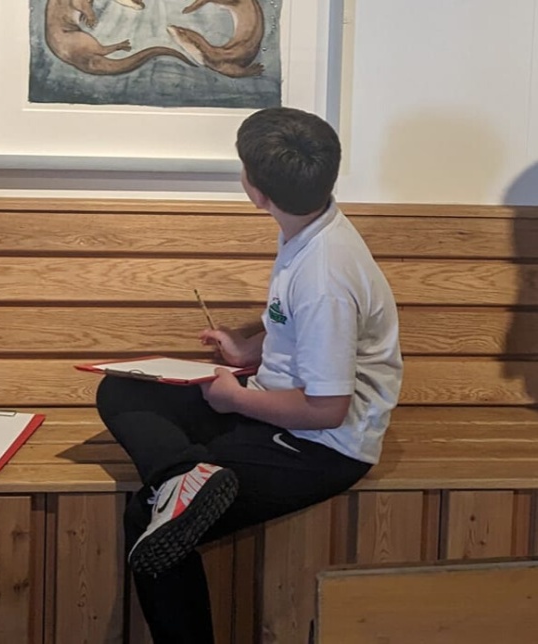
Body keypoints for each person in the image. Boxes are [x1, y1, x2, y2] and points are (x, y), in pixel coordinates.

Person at [96, 107, 403, 643]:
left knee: (149, 520)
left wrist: (233, 399)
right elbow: (293, 325)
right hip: (276, 405)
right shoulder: (312, 225)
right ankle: (182, 479)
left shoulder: (325, 275)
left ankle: (175, 491)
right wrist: (247, 350)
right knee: (120, 387)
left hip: (320, 445)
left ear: (255, 191)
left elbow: (326, 408)